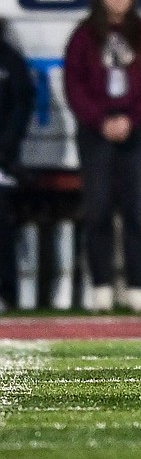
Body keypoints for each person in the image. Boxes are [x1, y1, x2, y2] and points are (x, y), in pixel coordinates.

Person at [63, 0, 141, 313]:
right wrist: (99, 120)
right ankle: (102, 286)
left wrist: (132, 118)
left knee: (137, 212)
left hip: (136, 132)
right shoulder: (83, 36)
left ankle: (138, 286)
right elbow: (73, 85)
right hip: (95, 134)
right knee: (97, 211)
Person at [0, 19, 35, 309]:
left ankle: (6, 294)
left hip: (1, 160)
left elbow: (22, 102)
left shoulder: (8, 59)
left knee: (2, 227)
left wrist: (5, 147)